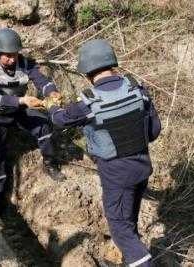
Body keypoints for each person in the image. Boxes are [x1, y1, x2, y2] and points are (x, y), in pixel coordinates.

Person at [46, 39, 161, 267]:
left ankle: (140, 262)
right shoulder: (137, 89)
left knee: (120, 230)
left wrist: (51, 104)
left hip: (116, 176)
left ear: (87, 72)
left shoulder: (89, 102)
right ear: (112, 63)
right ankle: (132, 260)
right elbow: (154, 131)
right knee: (128, 223)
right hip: (142, 168)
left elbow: (59, 119)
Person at [0, 28, 66, 216]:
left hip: (17, 109)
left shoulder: (25, 63)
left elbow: (42, 80)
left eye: (14, 55)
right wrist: (23, 100)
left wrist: (51, 92)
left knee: (43, 127)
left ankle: (50, 164)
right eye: (7, 56)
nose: (11, 59)